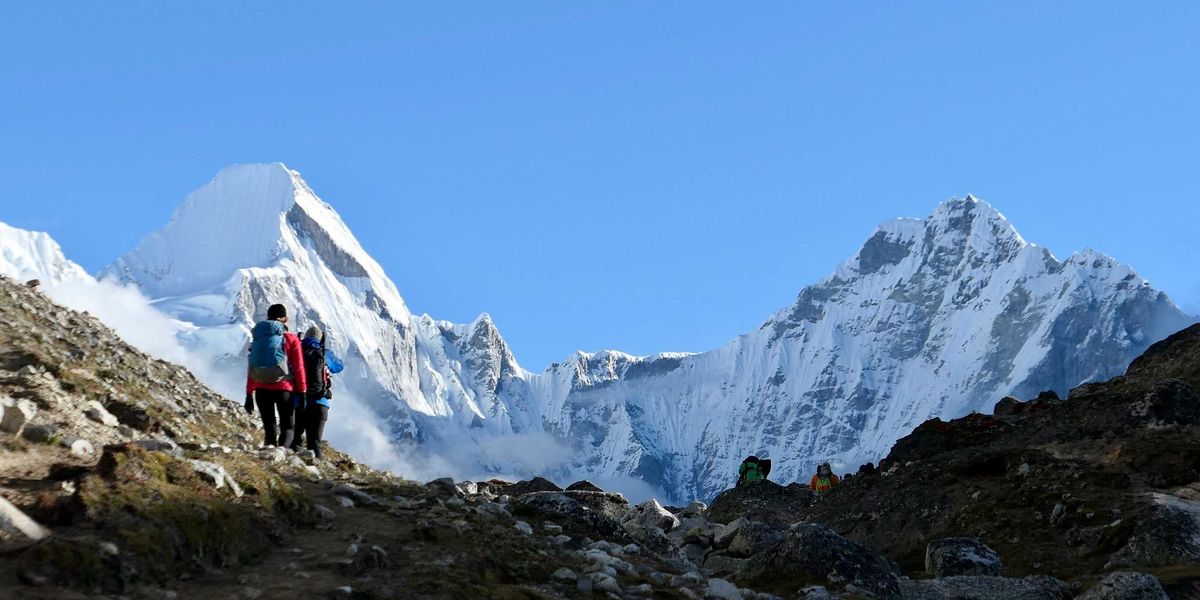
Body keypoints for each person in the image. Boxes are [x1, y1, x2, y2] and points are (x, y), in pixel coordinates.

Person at [245, 304, 307, 448]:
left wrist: (249, 394)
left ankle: (269, 458)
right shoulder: (291, 339)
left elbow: (251, 366)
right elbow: (299, 367)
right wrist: (302, 391)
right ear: (284, 319)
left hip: (260, 390)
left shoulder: (258, 339)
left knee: (269, 428)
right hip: (284, 389)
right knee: (287, 427)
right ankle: (282, 455)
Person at [291, 325, 334, 457]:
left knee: (295, 442)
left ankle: (296, 468)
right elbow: (339, 366)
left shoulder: (298, 350)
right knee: (315, 444)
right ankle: (317, 472)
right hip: (321, 404)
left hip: (300, 403)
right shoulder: (324, 352)